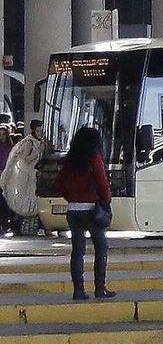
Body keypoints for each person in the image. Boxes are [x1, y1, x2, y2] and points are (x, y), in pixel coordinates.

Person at [58, 124, 114, 301]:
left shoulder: (70, 160)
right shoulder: (94, 158)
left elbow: (59, 183)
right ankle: (100, 289)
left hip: (73, 211)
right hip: (91, 210)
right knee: (101, 249)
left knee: (78, 251)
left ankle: (78, 290)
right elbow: (103, 183)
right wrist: (105, 200)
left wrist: (71, 197)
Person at [2, 115, 45, 238]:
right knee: (26, 203)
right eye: (38, 130)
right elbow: (25, 160)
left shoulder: (38, 141)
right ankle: (17, 226)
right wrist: (37, 154)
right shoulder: (29, 143)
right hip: (28, 178)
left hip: (33, 176)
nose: (40, 133)